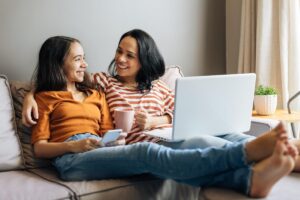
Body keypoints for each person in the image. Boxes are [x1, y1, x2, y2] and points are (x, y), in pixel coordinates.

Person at [28, 35, 297, 198]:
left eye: (84, 58)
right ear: (57, 63)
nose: (85, 64)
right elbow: (39, 148)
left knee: (198, 144)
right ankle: (248, 153)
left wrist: (115, 141)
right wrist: (71, 143)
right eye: (77, 59)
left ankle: (258, 173)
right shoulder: (48, 97)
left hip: (99, 148)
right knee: (146, 152)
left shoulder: (94, 93)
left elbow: (110, 133)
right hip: (70, 158)